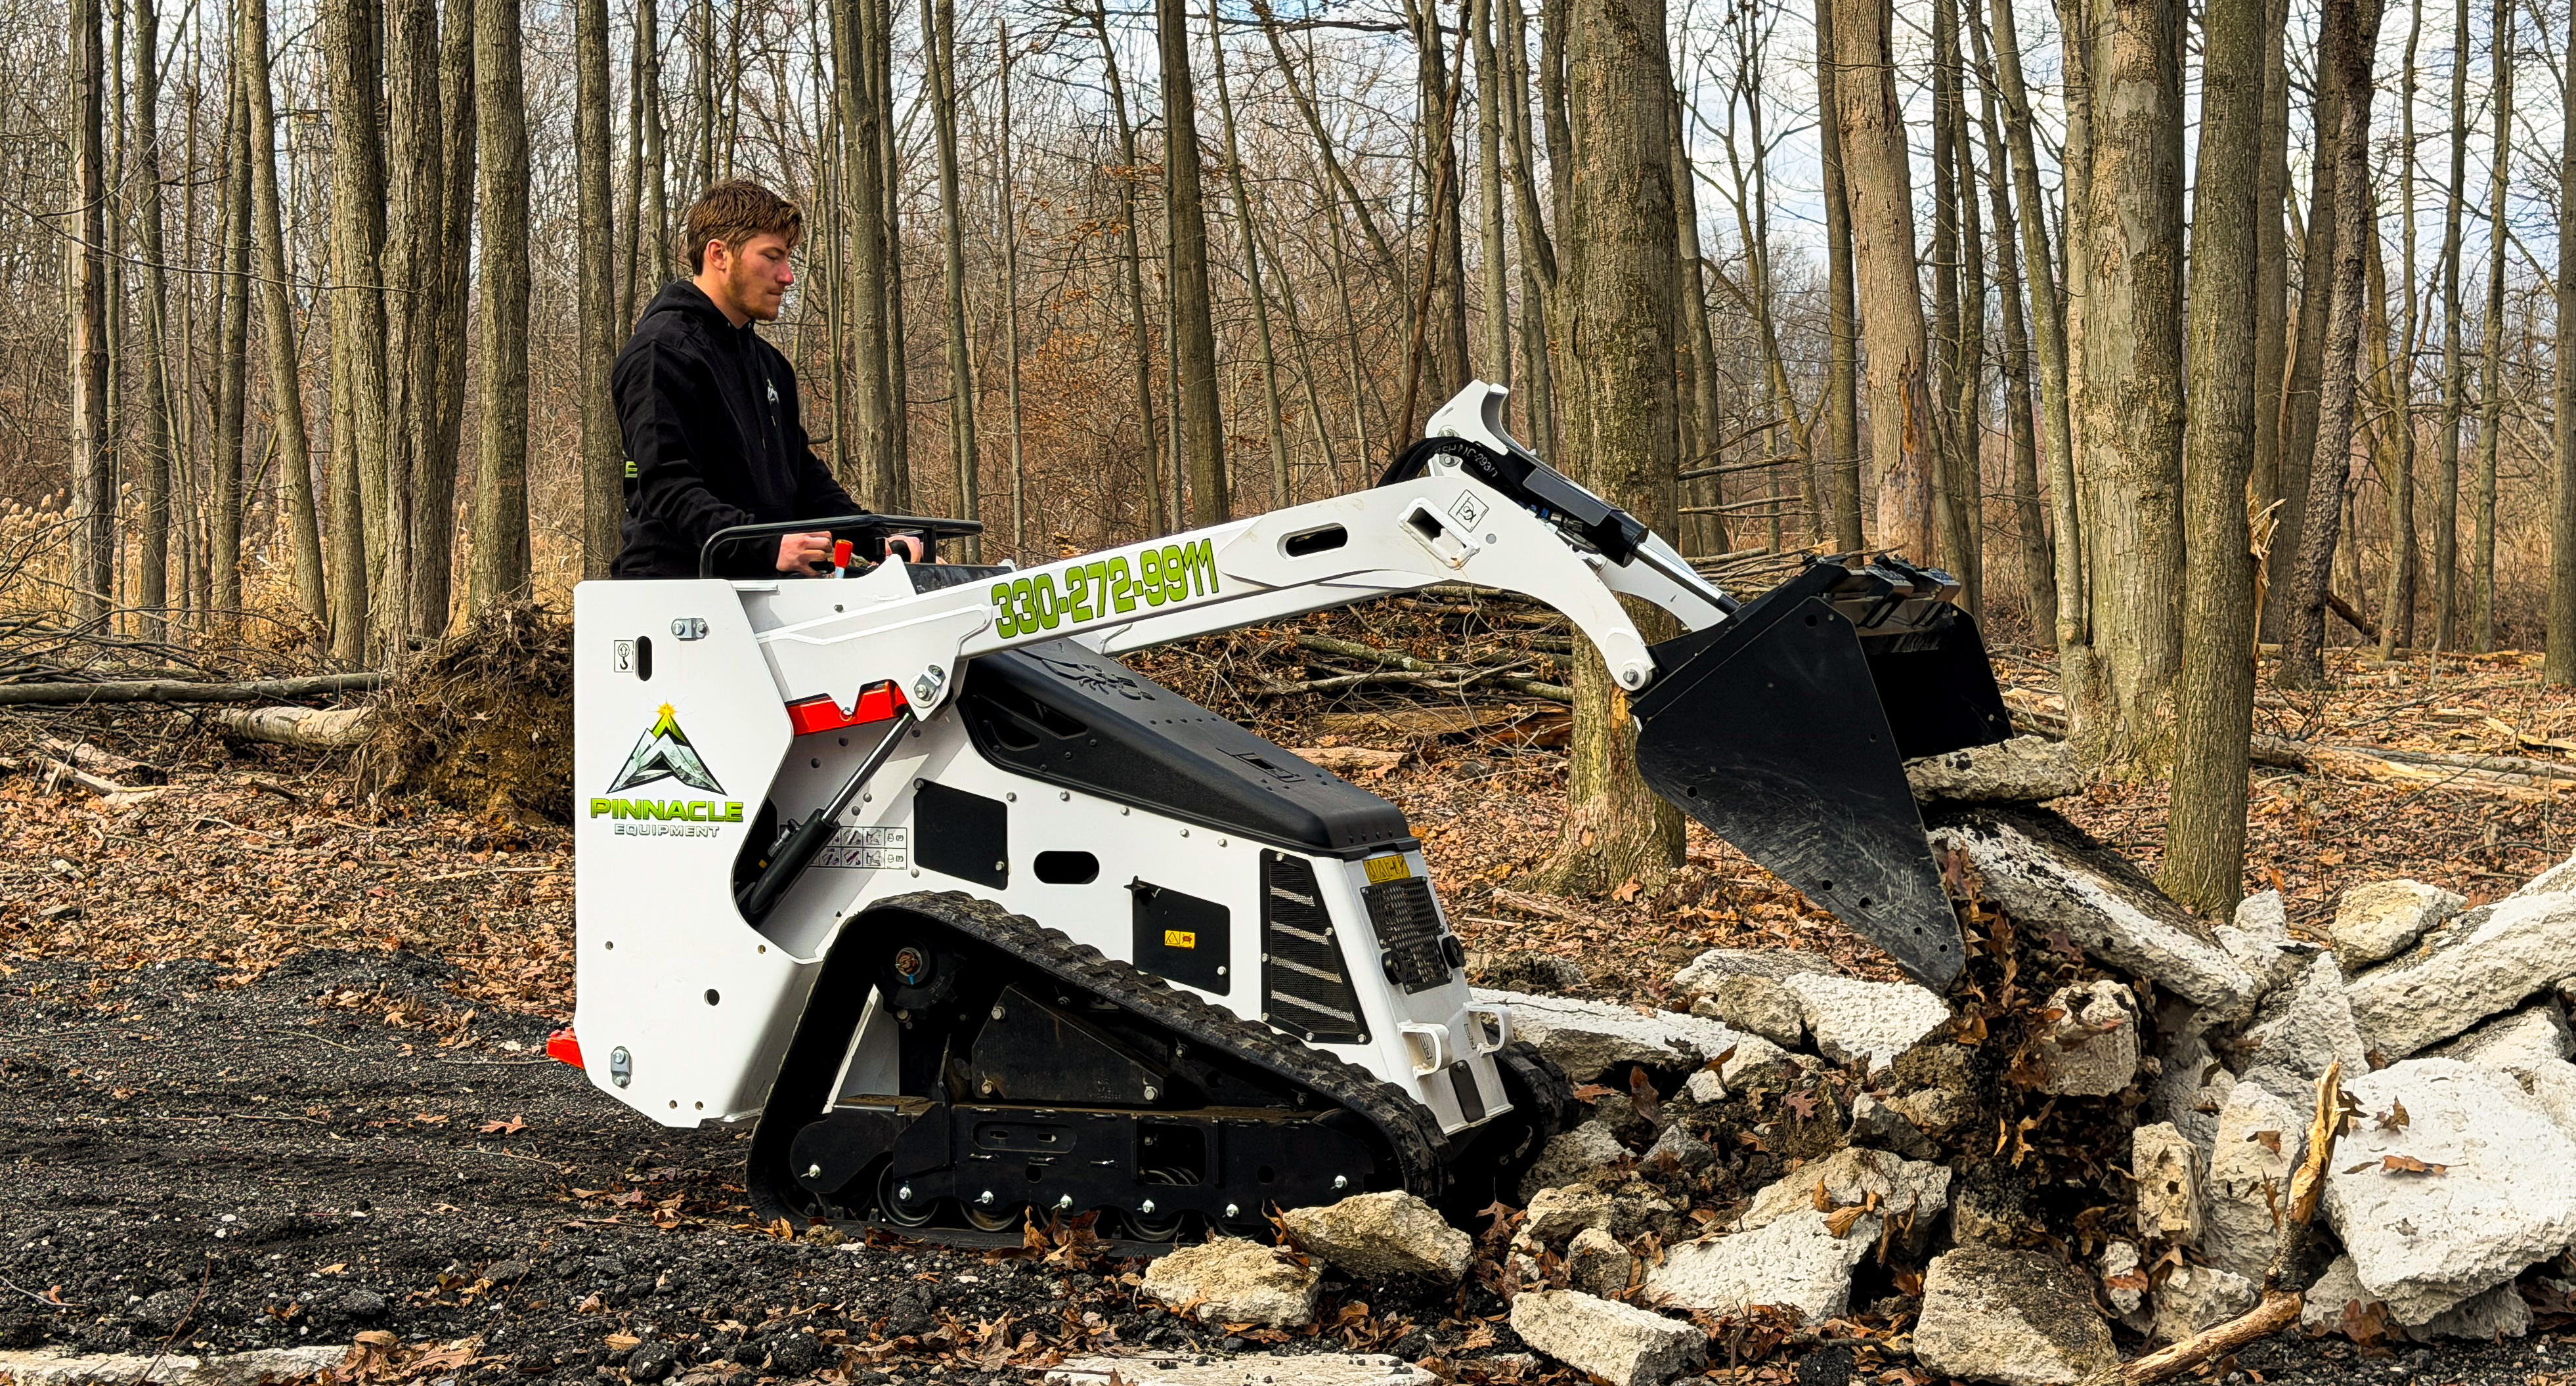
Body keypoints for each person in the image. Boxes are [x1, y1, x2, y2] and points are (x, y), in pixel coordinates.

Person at [609, 179, 922, 578]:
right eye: (772, 257)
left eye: (788, 259)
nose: (787, 276)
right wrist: (766, 545)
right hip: (675, 596)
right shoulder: (663, 351)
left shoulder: (770, 364)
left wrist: (878, 545)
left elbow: (804, 480)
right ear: (719, 254)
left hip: (765, 594)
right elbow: (667, 487)